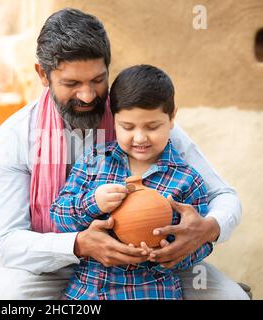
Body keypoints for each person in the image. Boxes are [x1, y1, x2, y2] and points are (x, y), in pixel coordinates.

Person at [0, 8, 248, 300]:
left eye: (97, 80)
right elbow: (8, 241)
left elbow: (224, 196)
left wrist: (206, 229)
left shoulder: (139, 122)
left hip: (156, 265)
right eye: (72, 84)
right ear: (42, 75)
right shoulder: (17, 135)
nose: (87, 96)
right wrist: (79, 245)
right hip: (51, 264)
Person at [50, 64, 213, 300]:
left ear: (172, 118)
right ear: (113, 120)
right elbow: (58, 214)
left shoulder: (188, 180)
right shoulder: (94, 162)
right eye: (127, 127)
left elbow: (203, 242)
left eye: (152, 126)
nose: (139, 138)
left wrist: (172, 254)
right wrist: (92, 203)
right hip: (90, 292)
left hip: (153, 292)